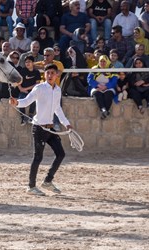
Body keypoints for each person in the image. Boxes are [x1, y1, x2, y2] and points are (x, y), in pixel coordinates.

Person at [9, 64, 72, 196]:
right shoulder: (39, 88)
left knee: (61, 154)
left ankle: (48, 181)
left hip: (50, 128)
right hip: (39, 128)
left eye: (52, 73)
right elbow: (26, 101)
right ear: (45, 75)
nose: (50, 75)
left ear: (56, 75)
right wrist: (17, 102)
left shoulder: (58, 90)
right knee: (38, 157)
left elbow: (57, 109)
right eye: (47, 73)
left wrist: (66, 123)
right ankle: (31, 186)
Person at [87, 55, 118, 119]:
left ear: (107, 62)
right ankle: (103, 109)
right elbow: (89, 79)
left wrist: (106, 86)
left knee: (108, 95)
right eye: (101, 61)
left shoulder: (112, 69)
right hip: (97, 87)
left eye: (104, 61)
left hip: (108, 87)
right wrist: (97, 85)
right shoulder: (94, 69)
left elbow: (114, 80)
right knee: (97, 94)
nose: (102, 63)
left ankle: (105, 111)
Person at [17, 55, 41, 125]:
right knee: (20, 100)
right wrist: (21, 89)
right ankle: (23, 118)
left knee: (33, 100)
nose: (27, 63)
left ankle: (30, 117)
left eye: (29, 62)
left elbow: (37, 84)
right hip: (22, 91)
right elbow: (18, 81)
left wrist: (26, 89)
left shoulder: (36, 72)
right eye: (26, 62)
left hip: (32, 91)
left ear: (33, 62)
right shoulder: (23, 71)